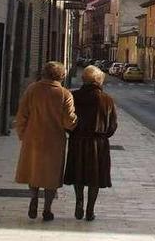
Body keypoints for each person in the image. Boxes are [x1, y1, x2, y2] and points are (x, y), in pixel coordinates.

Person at [14, 61, 77, 221]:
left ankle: (34, 197)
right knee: (51, 177)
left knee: (33, 170)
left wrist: (23, 133)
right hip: (54, 140)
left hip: (33, 137)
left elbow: (22, 114)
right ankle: (47, 209)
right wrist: (75, 122)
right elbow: (68, 120)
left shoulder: (32, 90)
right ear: (61, 75)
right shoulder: (64, 94)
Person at [64, 65, 118, 221]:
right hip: (98, 143)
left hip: (78, 140)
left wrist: (73, 132)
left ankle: (79, 201)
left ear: (84, 79)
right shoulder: (106, 100)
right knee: (95, 177)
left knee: (78, 173)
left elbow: (67, 119)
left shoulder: (74, 96)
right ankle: (90, 209)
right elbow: (112, 125)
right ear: (99, 80)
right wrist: (103, 135)